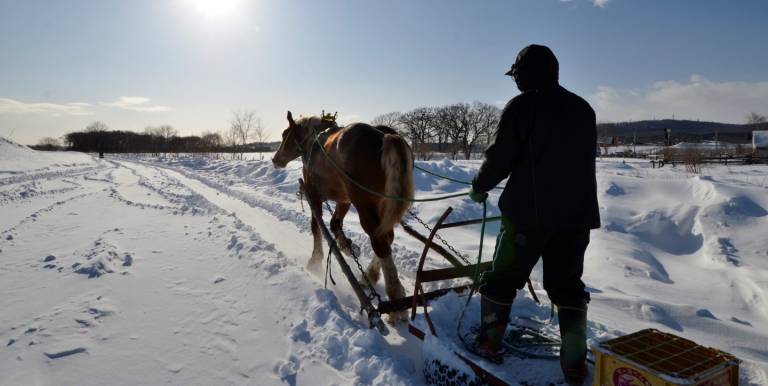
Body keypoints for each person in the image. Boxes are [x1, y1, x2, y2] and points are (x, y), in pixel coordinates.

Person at [467, 44, 600, 385]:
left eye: (517, 75)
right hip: (576, 217)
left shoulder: (522, 106)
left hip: (528, 216)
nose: (514, 82)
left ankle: (489, 342)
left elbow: (501, 157)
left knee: (502, 278)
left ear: (525, 75)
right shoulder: (582, 108)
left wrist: (480, 185)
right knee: (567, 286)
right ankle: (573, 362)